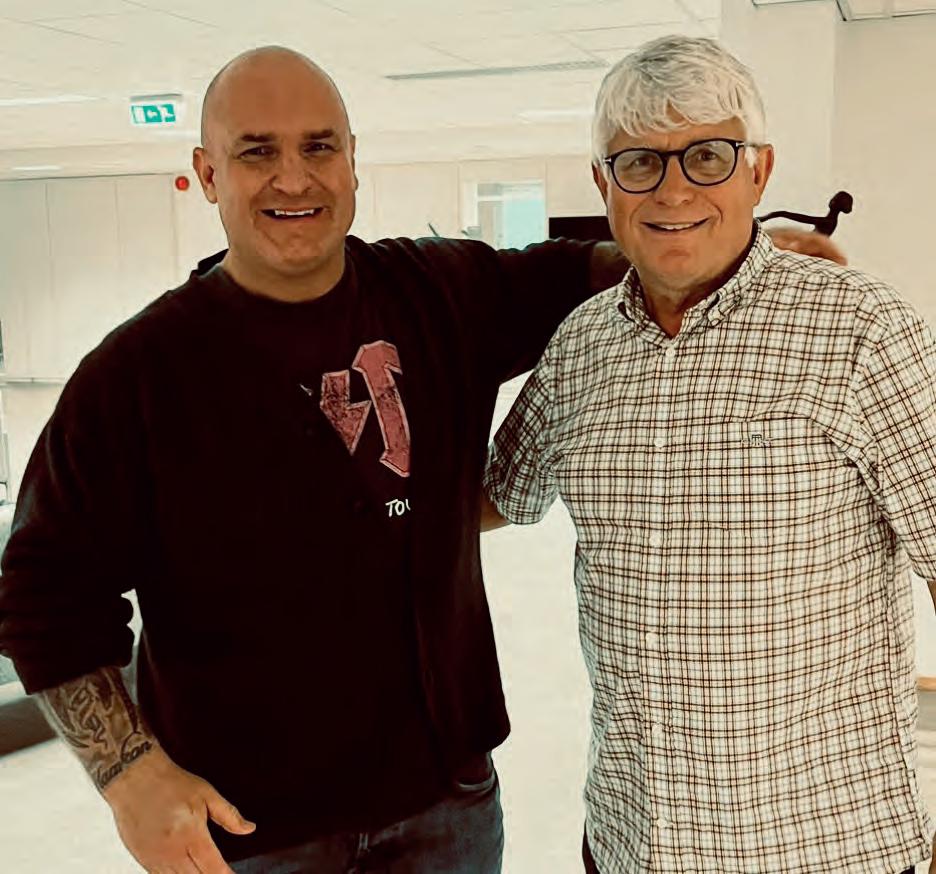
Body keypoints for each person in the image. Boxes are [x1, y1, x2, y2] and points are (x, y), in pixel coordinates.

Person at [0, 45, 841, 874]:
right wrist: (128, 776)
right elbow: (41, 591)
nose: (294, 178)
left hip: (448, 814)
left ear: (353, 162)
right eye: (257, 152)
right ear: (207, 173)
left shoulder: (436, 293)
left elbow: (586, 271)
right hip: (255, 834)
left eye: (318, 147)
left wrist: (738, 252)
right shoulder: (139, 375)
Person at [483, 35, 936, 874]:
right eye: (639, 162)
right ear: (603, 185)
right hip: (629, 845)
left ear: (759, 171)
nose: (674, 189)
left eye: (707, 155)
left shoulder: (863, 331)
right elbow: (493, 498)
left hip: (821, 854)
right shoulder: (579, 348)